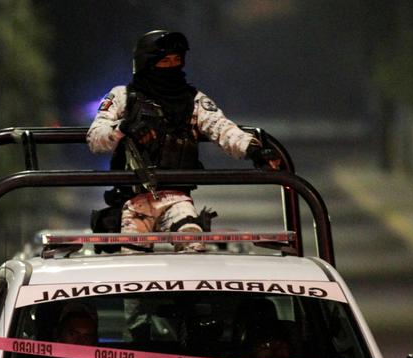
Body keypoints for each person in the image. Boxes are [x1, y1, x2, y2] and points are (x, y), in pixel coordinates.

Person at [87, 29, 281, 240]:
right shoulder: (123, 97)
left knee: (191, 240)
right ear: (147, 64)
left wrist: (254, 151)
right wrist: (124, 128)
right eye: (164, 61)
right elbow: (95, 137)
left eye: (176, 60)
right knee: (132, 258)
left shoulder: (193, 100)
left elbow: (223, 129)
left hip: (177, 197)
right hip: (133, 199)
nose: (171, 66)